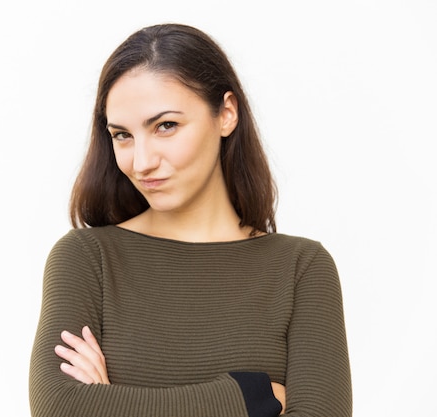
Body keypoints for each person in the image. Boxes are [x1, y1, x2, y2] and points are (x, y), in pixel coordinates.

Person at [28, 23, 352, 417]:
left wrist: (112, 401)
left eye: (166, 126)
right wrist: (249, 399)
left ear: (226, 114)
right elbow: (62, 408)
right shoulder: (87, 258)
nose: (142, 161)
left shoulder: (301, 268)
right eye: (122, 135)